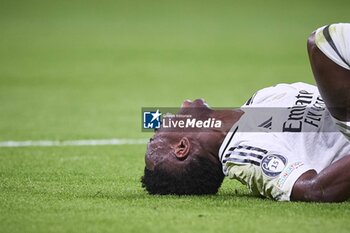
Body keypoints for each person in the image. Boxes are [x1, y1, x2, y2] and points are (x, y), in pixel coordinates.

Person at [141, 23, 350, 202]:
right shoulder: (241, 153)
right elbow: (315, 189)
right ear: (181, 147)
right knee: (324, 44)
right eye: (156, 135)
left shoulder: (263, 99)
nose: (165, 118)